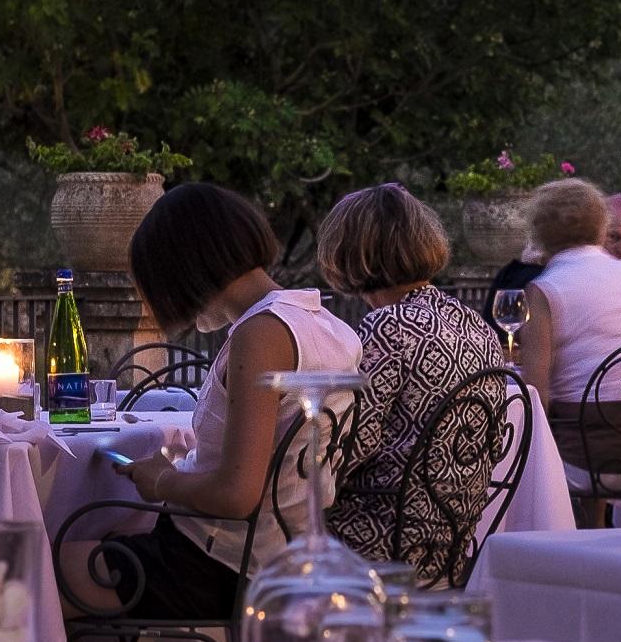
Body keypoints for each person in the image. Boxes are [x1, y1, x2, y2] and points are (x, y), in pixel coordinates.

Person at [104, 184, 362, 619]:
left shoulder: (261, 334)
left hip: (221, 564)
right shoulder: (331, 327)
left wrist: (161, 481)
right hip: (285, 555)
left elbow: (238, 495)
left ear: (182, 270)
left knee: (40, 574)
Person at [316, 184, 506, 568]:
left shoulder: (388, 326)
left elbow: (351, 445)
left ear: (349, 252)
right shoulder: (473, 323)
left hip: (376, 541)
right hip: (451, 542)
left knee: (246, 535)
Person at [508, 179, 621, 405]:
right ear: (601, 227)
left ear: (539, 234)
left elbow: (536, 394)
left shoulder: (544, 290)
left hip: (585, 431)